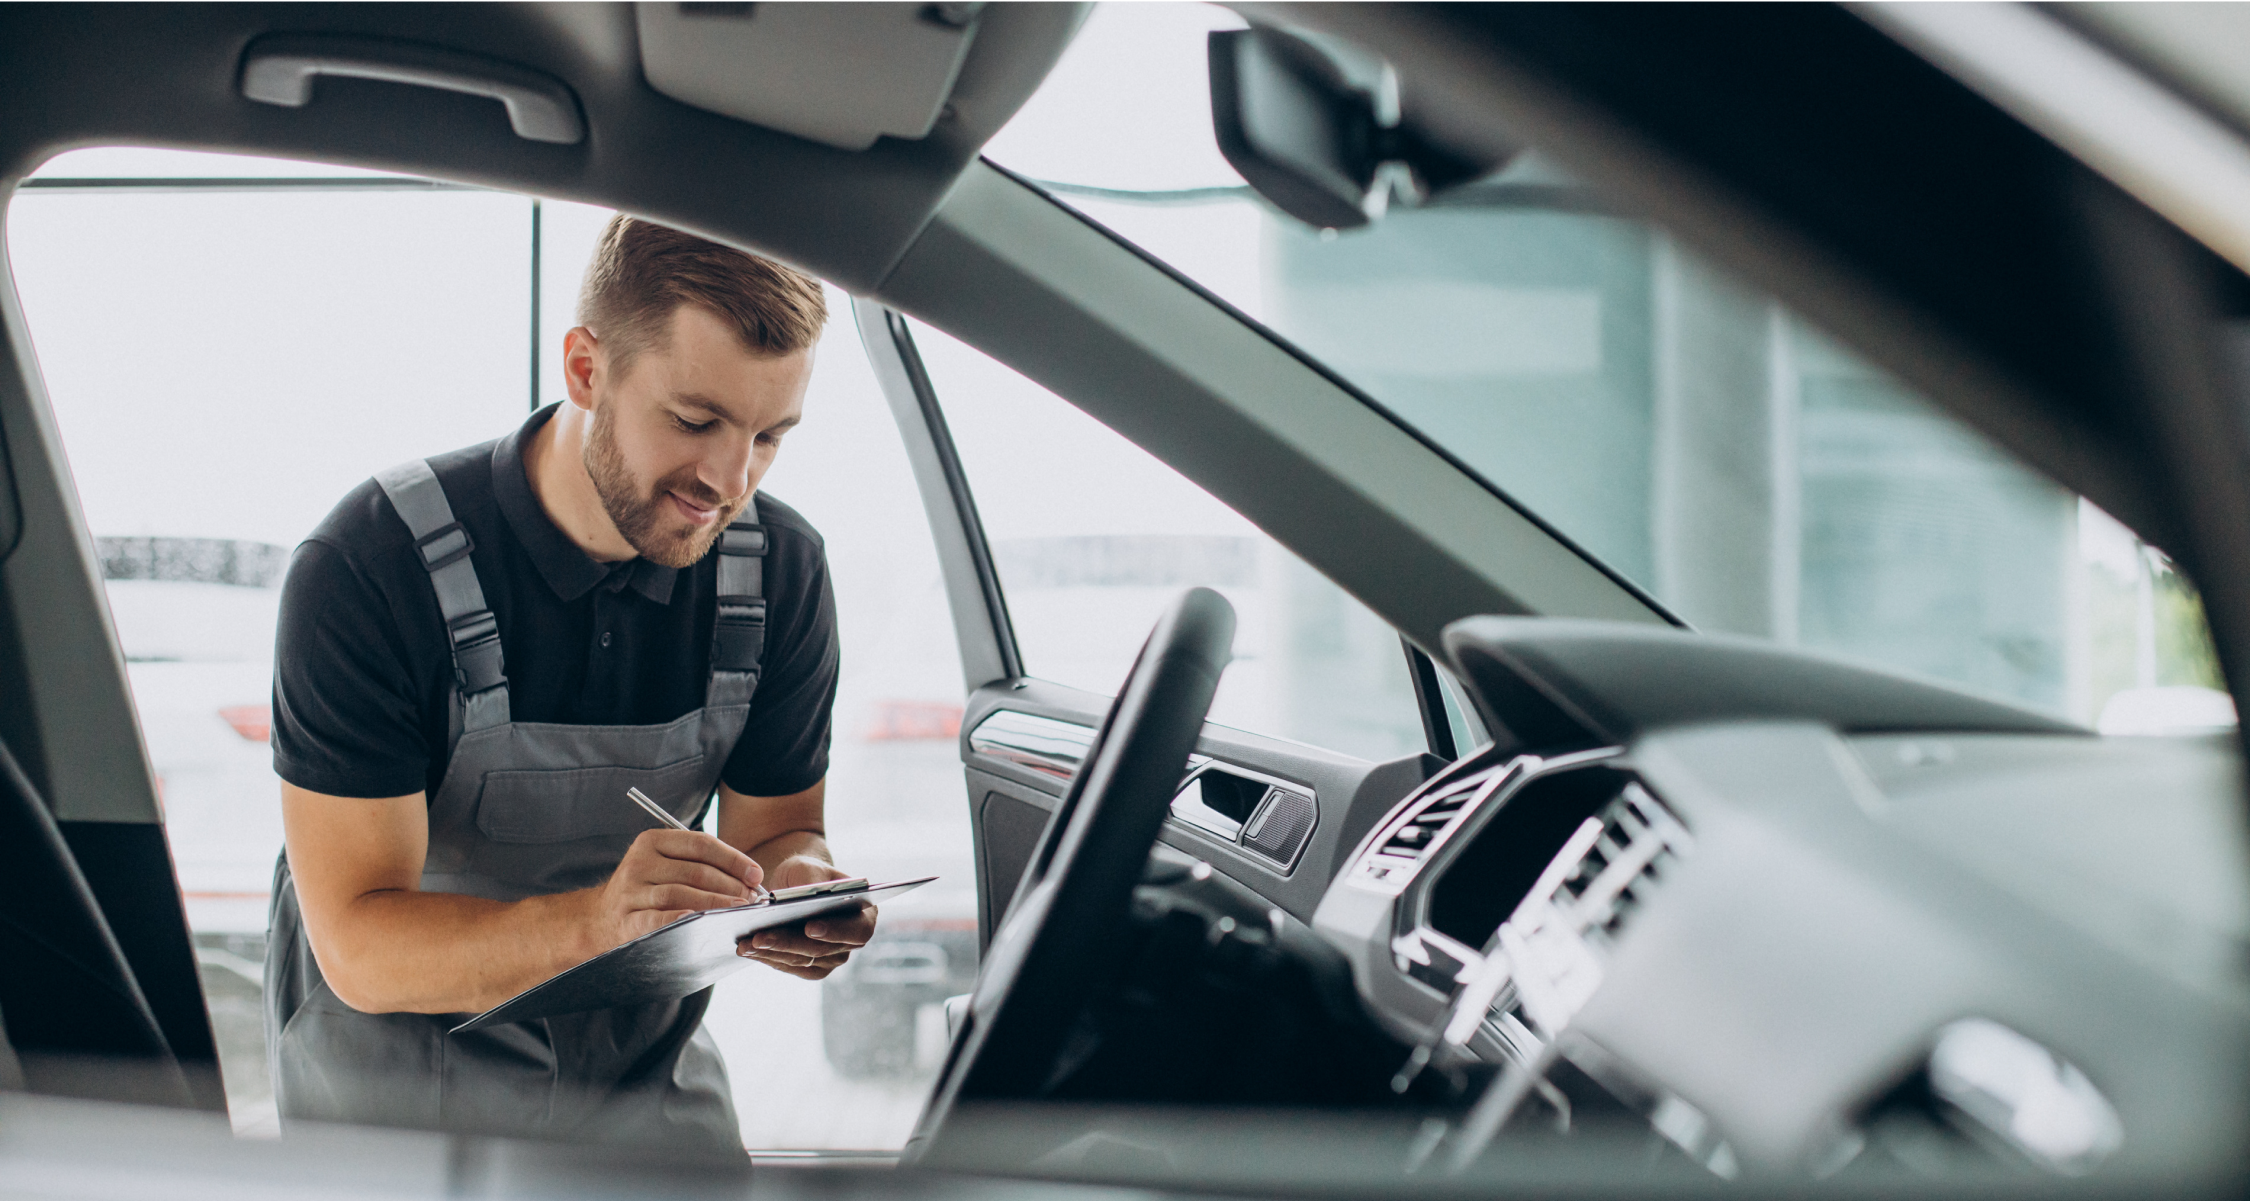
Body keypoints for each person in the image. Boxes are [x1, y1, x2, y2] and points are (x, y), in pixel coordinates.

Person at [263, 216, 869, 1152]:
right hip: (396, 1112)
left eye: (769, 436)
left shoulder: (778, 570)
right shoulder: (368, 567)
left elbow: (780, 827)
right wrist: (597, 920)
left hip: (643, 1091)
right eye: (695, 421)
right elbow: (359, 945)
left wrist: (800, 891)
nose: (728, 478)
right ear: (587, 369)